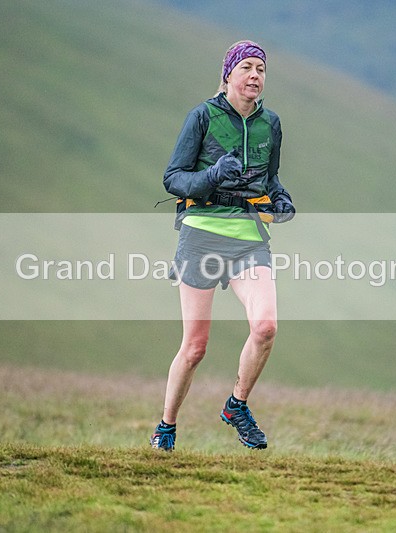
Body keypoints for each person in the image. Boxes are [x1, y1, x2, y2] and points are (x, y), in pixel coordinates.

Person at [150, 40, 295, 451]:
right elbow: (173, 178)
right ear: (228, 74)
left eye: (261, 69)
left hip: (249, 238)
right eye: (246, 67)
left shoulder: (271, 124)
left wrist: (281, 199)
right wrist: (212, 175)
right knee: (195, 348)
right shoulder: (202, 116)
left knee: (265, 327)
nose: (254, 76)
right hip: (200, 234)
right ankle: (166, 427)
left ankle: (237, 404)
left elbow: (271, 179)